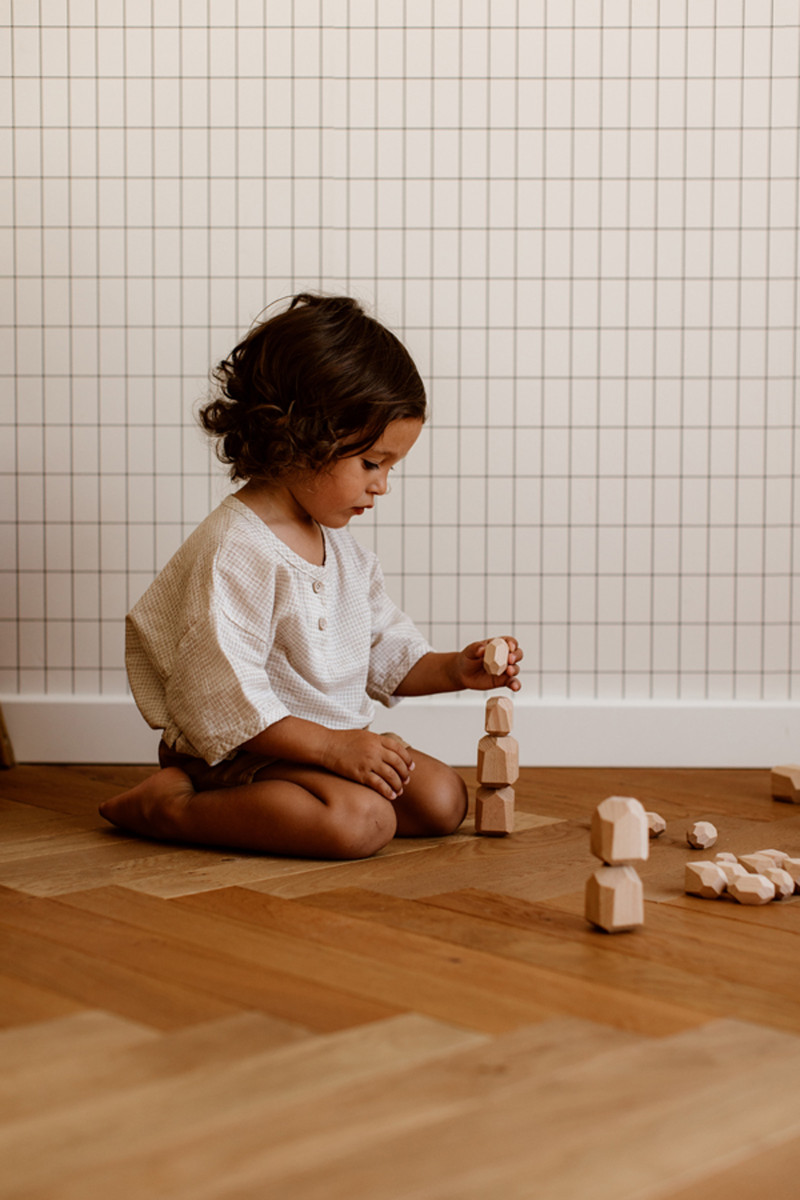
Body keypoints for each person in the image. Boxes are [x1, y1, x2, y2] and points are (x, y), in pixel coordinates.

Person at [100, 293, 523, 859]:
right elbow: (223, 696)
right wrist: (331, 749)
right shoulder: (236, 549)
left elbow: (382, 649)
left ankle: (316, 786)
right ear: (301, 436)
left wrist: (454, 668)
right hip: (240, 751)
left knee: (442, 800)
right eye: (371, 463)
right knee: (361, 822)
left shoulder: (340, 548)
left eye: (390, 467)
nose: (382, 485)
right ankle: (172, 807)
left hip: (326, 749)